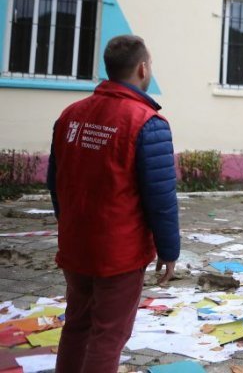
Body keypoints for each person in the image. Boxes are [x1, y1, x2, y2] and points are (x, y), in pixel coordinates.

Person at [47, 35, 180, 373]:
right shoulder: (147, 123)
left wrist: (69, 223)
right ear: (142, 68)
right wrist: (169, 250)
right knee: (108, 336)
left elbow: (55, 181)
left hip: (76, 246)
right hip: (119, 254)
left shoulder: (71, 115)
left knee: (76, 326)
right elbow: (160, 199)